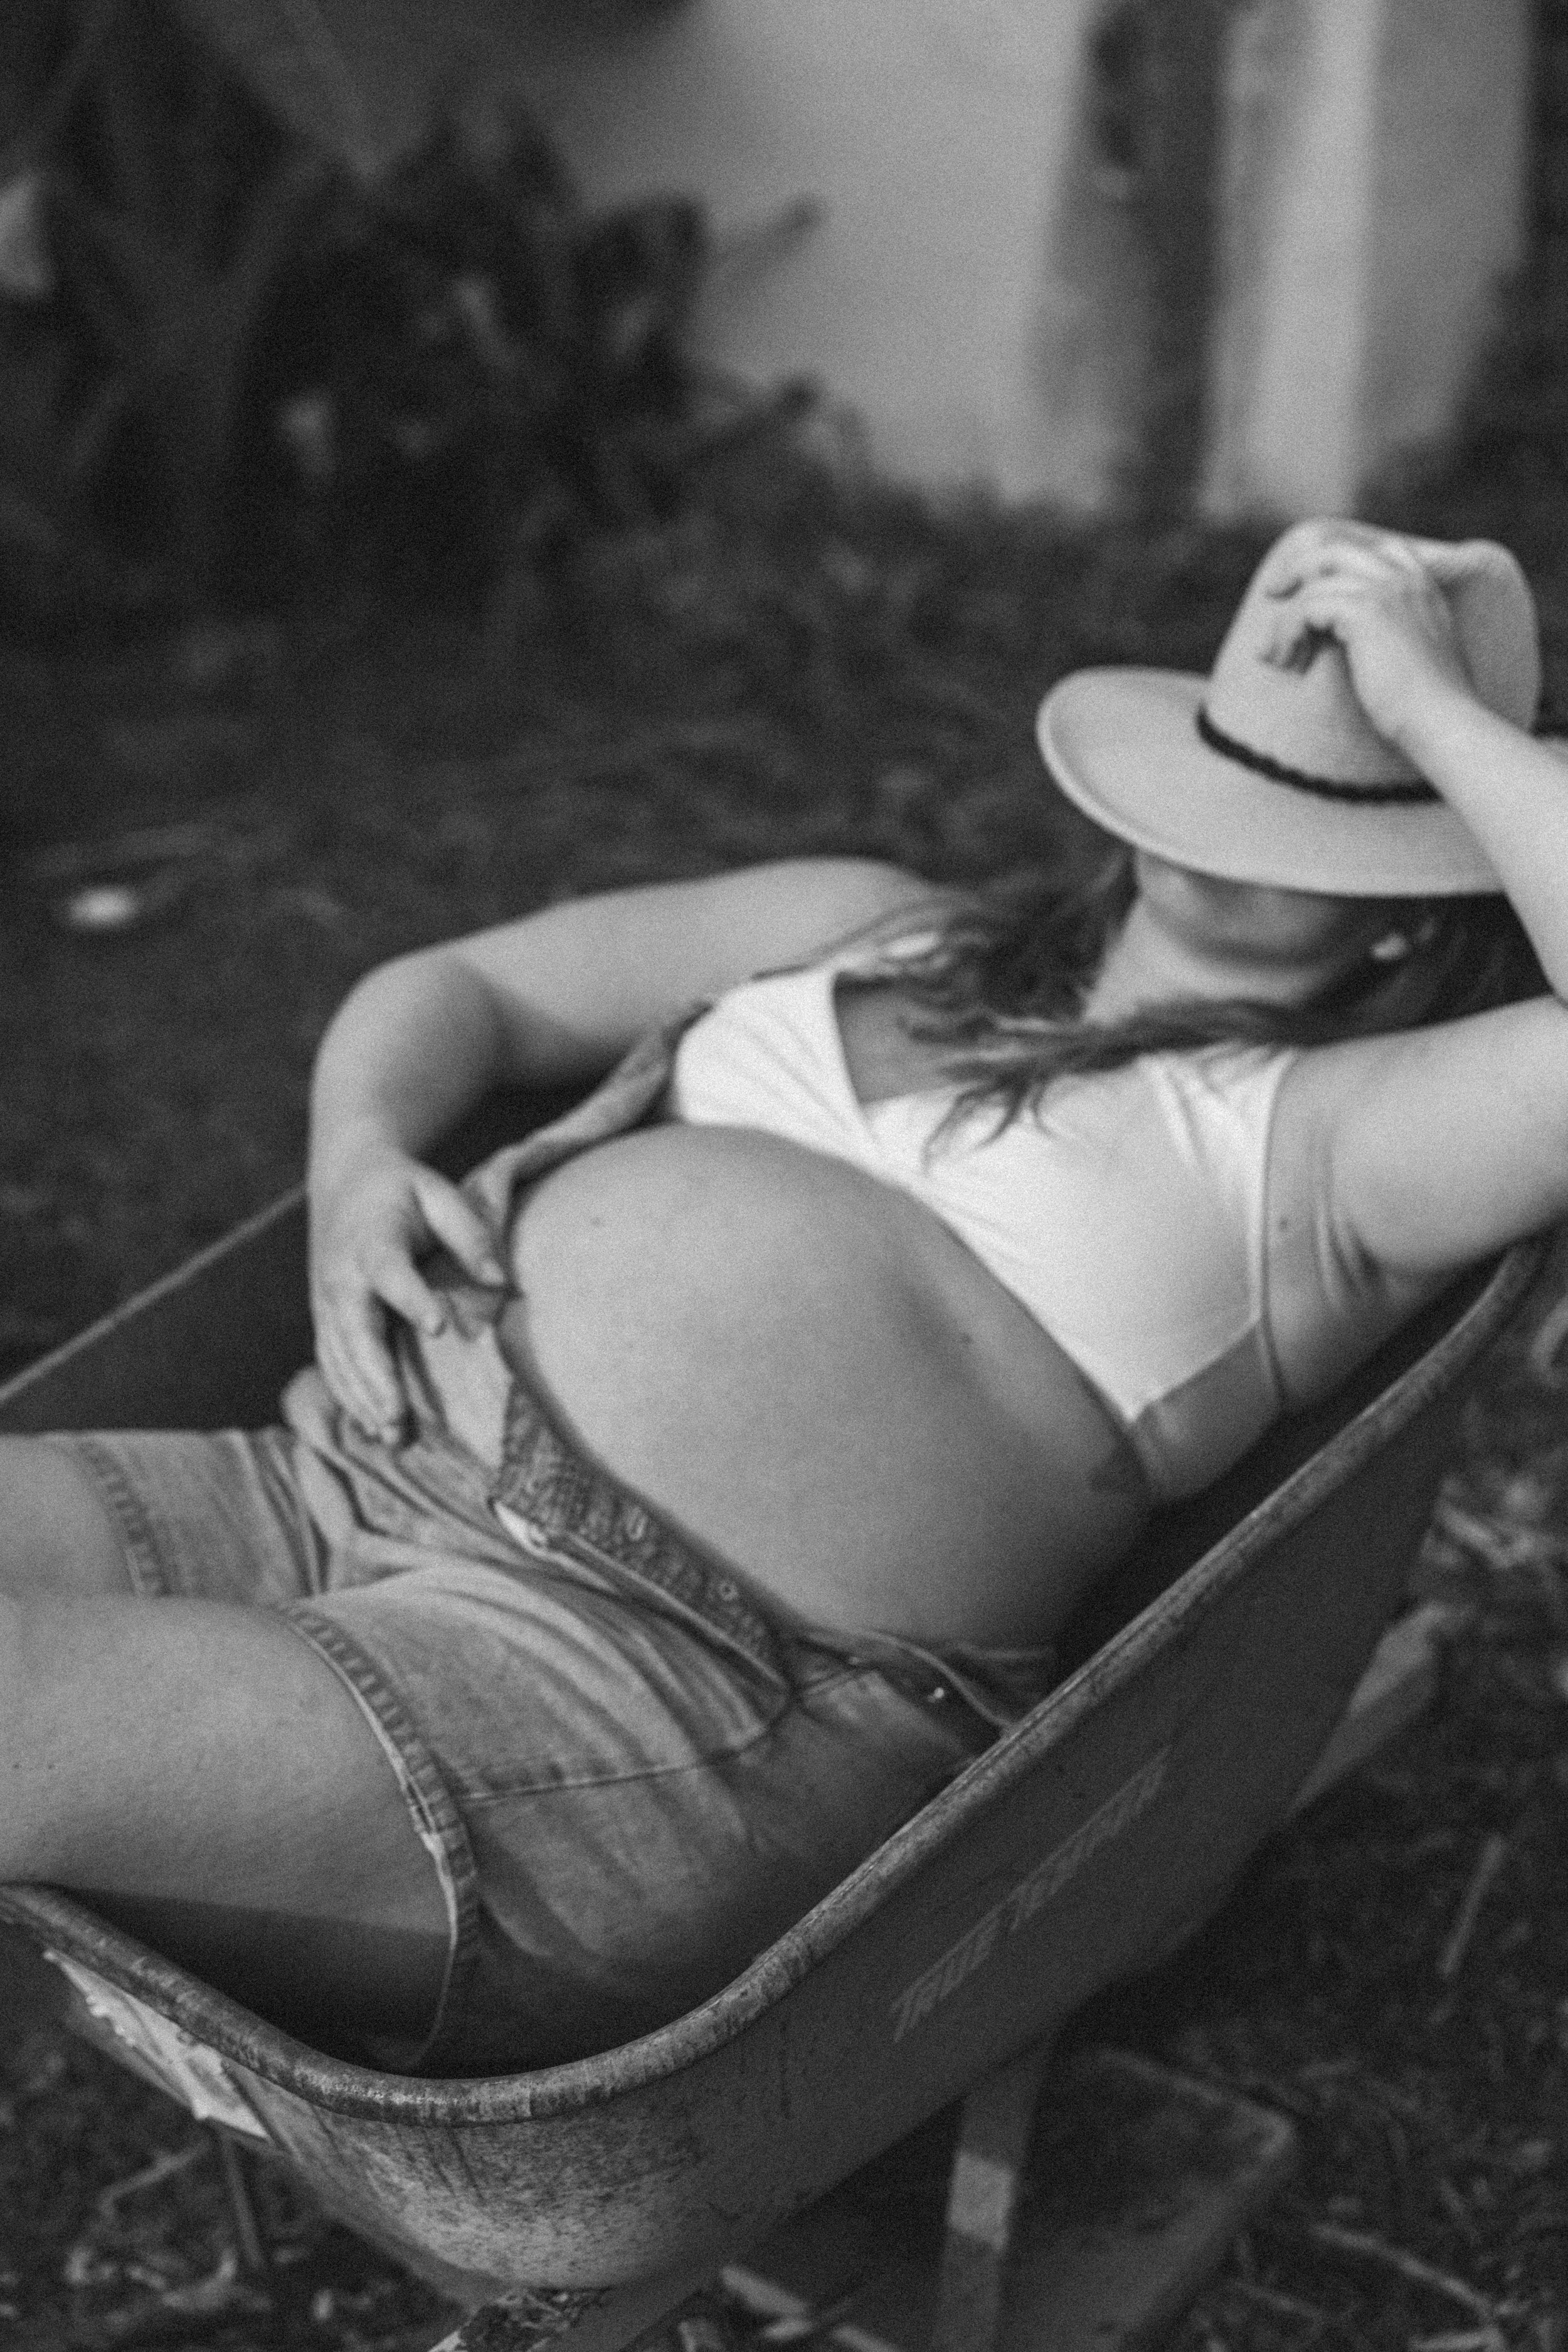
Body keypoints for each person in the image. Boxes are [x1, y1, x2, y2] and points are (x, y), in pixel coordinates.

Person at [3, 518, 1565, 2074]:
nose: (1222, 827)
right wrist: (356, 1164)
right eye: (1223, 769)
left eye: (1298, 816)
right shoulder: (871, 921)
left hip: (629, 1690)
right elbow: (462, 991)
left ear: (1419, 901)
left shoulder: (1340, 1148)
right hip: (338, 1466)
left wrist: (1436, 715)